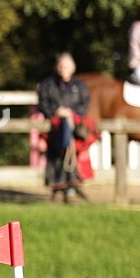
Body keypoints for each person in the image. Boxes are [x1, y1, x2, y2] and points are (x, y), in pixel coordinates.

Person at [37, 52, 92, 202]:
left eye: (67, 66)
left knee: (71, 152)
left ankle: (71, 188)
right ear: (57, 68)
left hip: (75, 126)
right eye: (61, 66)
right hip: (54, 127)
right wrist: (56, 112)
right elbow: (43, 103)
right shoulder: (48, 84)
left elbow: (85, 104)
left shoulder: (80, 86)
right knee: (56, 154)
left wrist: (72, 114)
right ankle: (57, 189)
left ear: (73, 68)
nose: (64, 69)